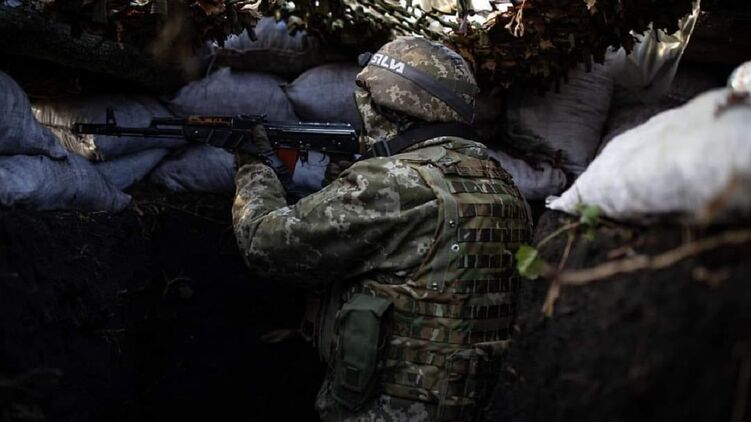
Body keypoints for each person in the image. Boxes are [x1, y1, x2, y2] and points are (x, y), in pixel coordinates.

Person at [232, 36, 532, 421]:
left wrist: (254, 168)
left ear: (383, 103)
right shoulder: (504, 186)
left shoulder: (393, 182)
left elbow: (265, 244)